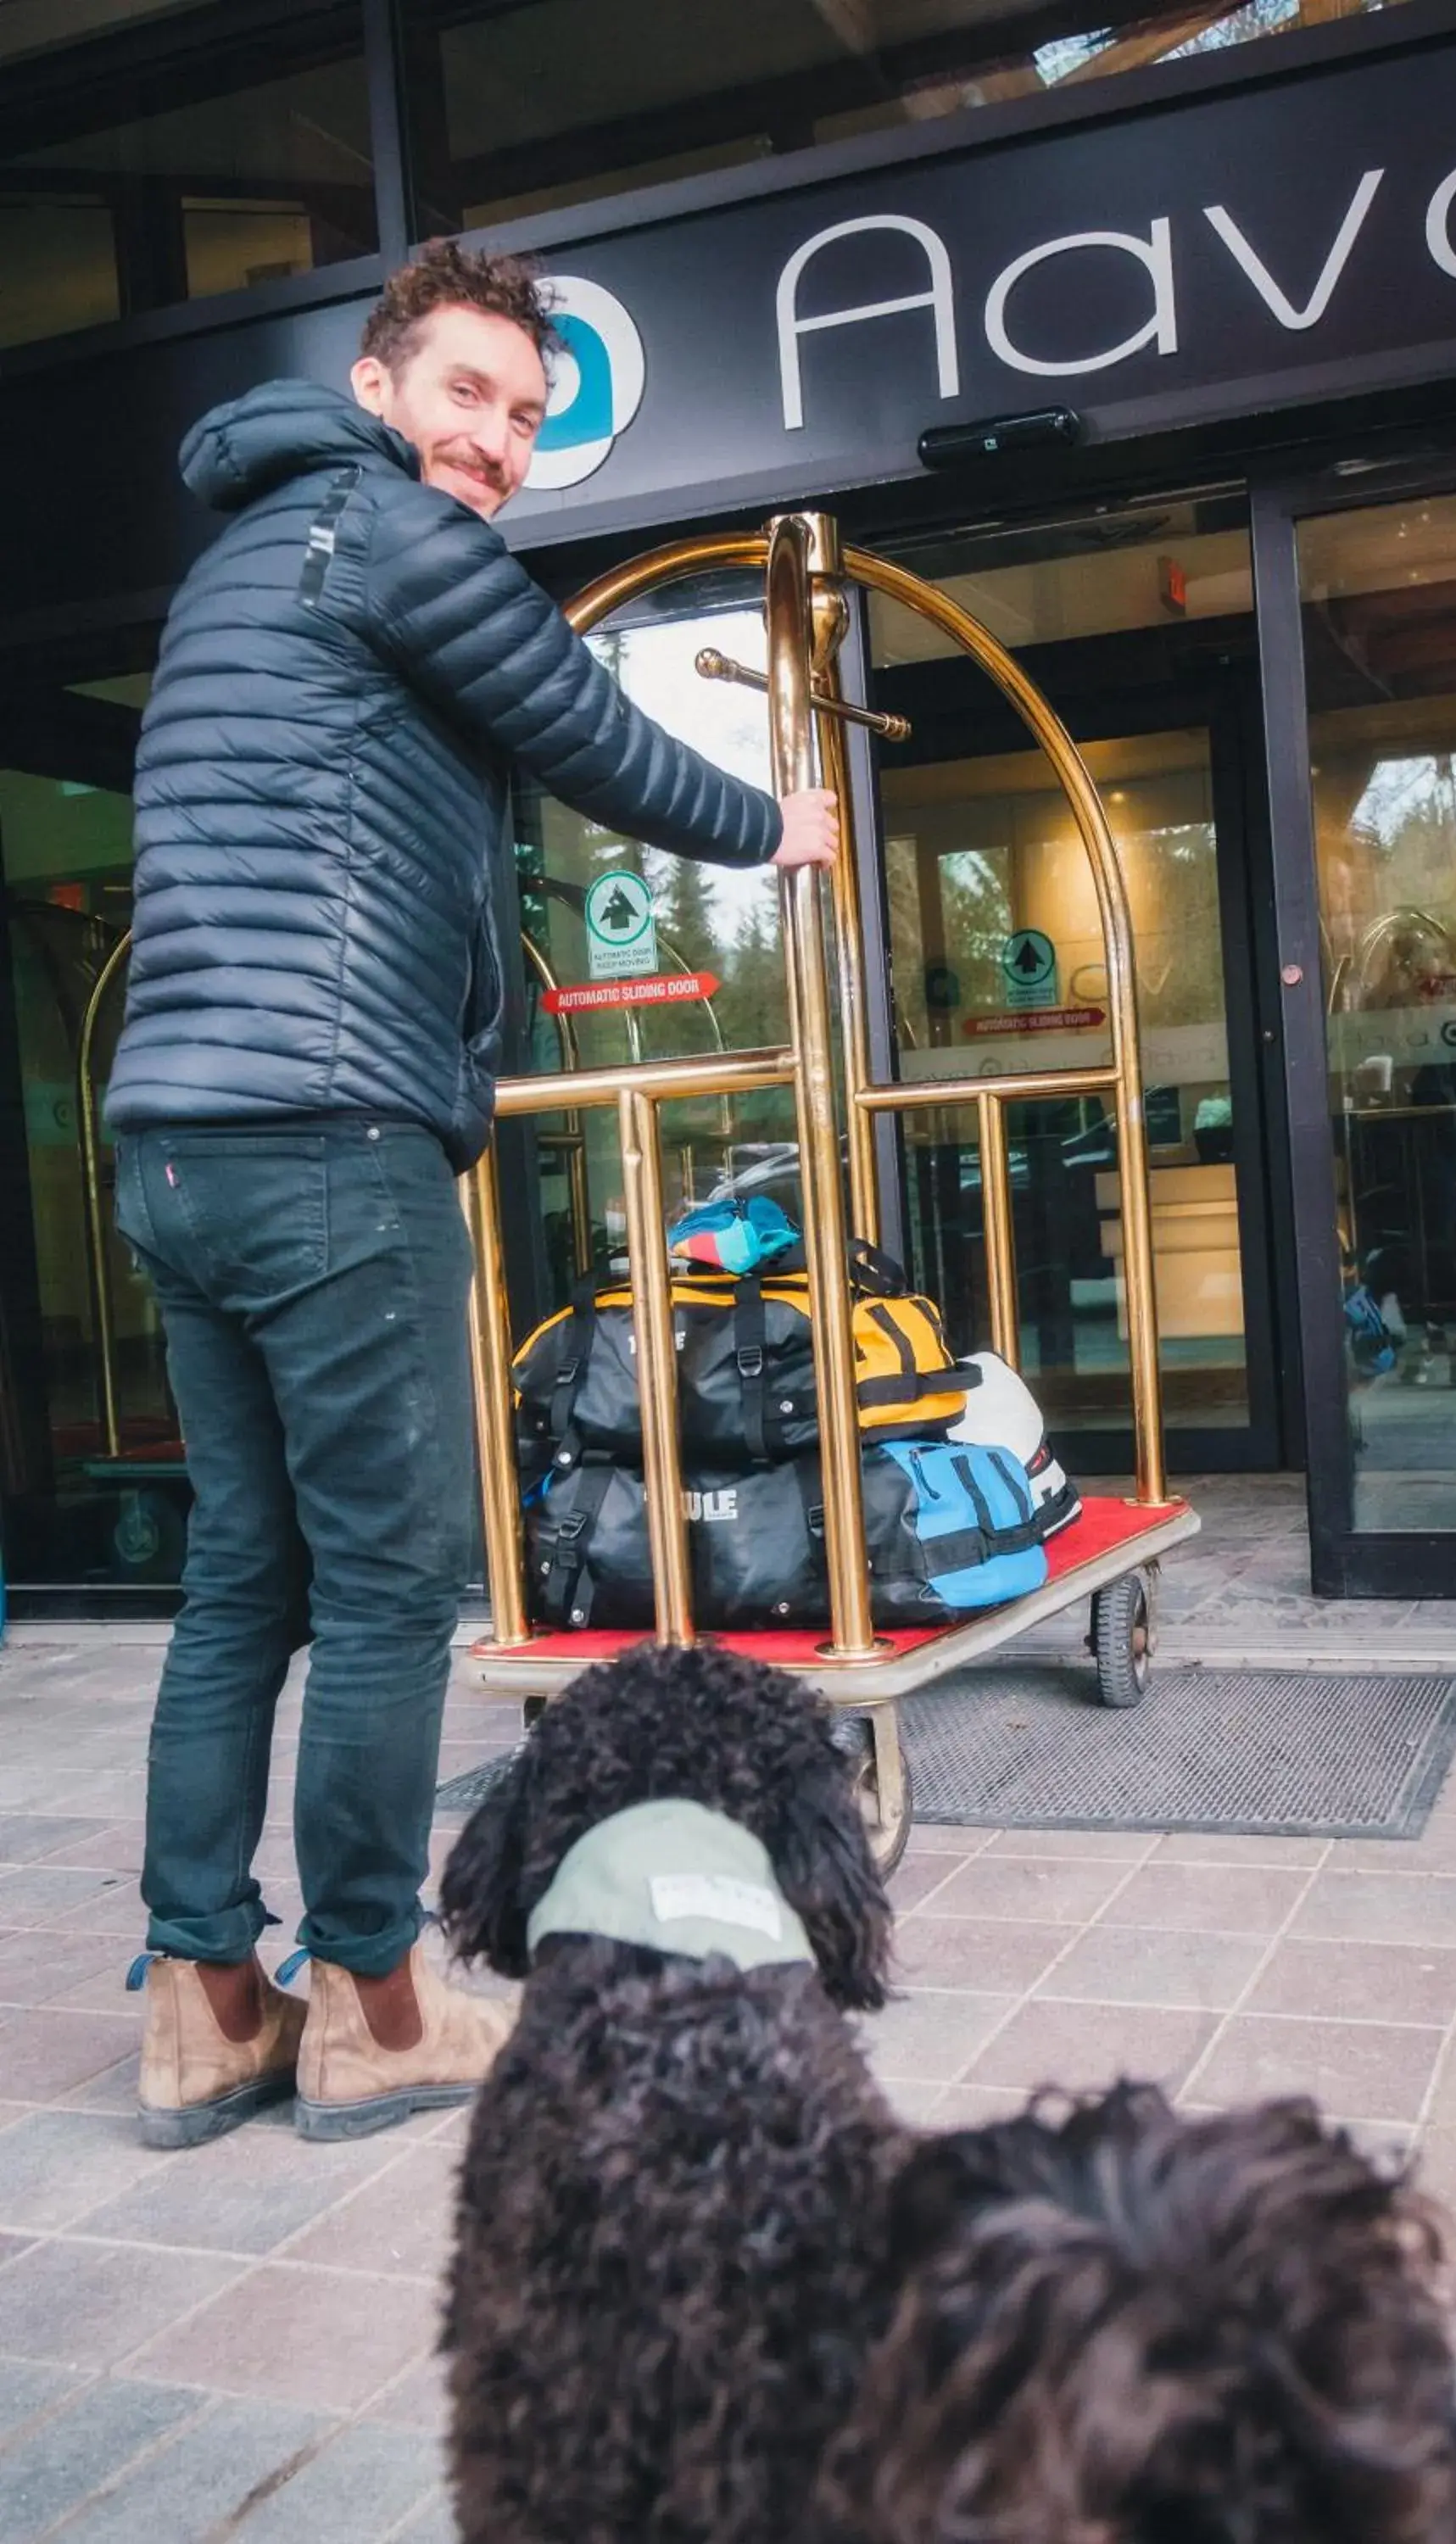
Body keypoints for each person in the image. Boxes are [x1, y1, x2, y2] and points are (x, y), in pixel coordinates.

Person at [108, 240, 839, 2149]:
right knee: (382, 1593)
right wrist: (782, 824)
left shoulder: (236, 562)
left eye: (524, 417)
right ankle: (367, 2002)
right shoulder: (388, 535)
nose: (498, 444)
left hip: (179, 1142)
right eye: (468, 397)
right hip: (329, 1136)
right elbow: (581, 729)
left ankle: (202, 2001)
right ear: (377, 388)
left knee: (237, 1586)